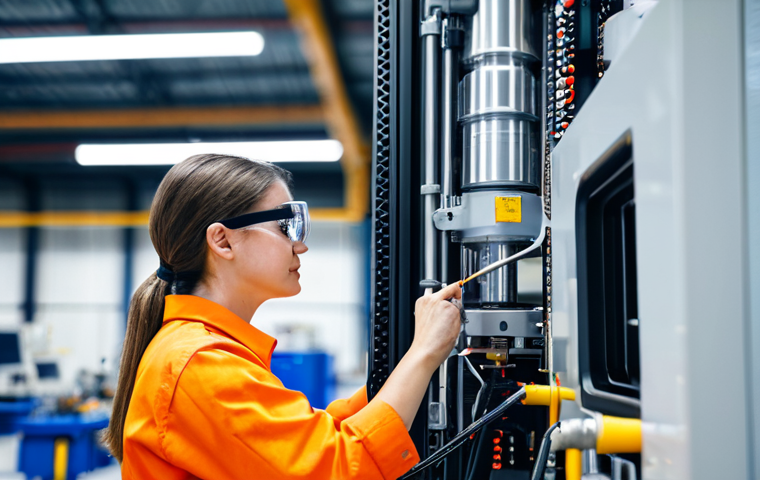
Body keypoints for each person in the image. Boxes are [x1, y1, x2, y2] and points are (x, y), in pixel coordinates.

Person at [104, 154, 463, 480]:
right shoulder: (199, 364)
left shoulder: (201, 351)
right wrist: (423, 355)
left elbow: (310, 438)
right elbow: (342, 467)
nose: (300, 245)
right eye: (285, 227)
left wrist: (397, 373)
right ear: (223, 242)